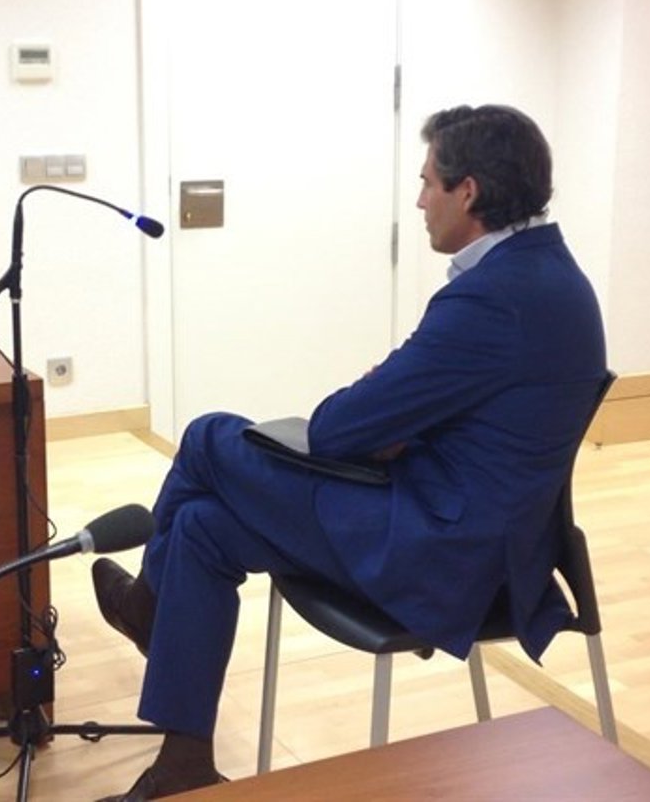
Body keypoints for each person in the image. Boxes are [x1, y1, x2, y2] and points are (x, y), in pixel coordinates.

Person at [90, 103, 607, 802]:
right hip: (466, 526)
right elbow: (463, 411)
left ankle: (149, 611)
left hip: (439, 554)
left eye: (427, 182)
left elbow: (336, 431)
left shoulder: (494, 299)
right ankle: (183, 768)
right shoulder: (546, 273)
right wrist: (396, 416)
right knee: (203, 527)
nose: (419, 201)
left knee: (208, 436)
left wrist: (385, 410)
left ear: (468, 192)